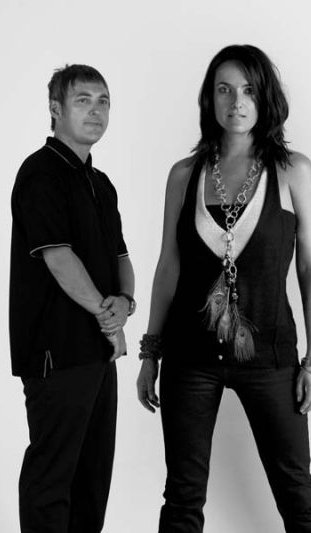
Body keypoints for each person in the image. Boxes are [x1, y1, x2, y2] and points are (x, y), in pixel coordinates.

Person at [137, 44, 311, 532]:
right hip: (189, 357)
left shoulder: (292, 170)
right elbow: (168, 267)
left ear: (265, 98)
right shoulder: (184, 175)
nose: (236, 102)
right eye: (224, 90)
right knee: (182, 497)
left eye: (248, 90)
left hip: (270, 357)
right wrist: (151, 352)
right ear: (210, 99)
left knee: (297, 493)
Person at [9, 64, 136, 533]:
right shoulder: (40, 173)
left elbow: (121, 257)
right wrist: (109, 317)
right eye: (83, 100)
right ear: (55, 109)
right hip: (55, 351)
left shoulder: (101, 183)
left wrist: (125, 301)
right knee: (52, 478)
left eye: (104, 102)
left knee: (91, 481)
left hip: (98, 353)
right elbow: (59, 259)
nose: (96, 111)